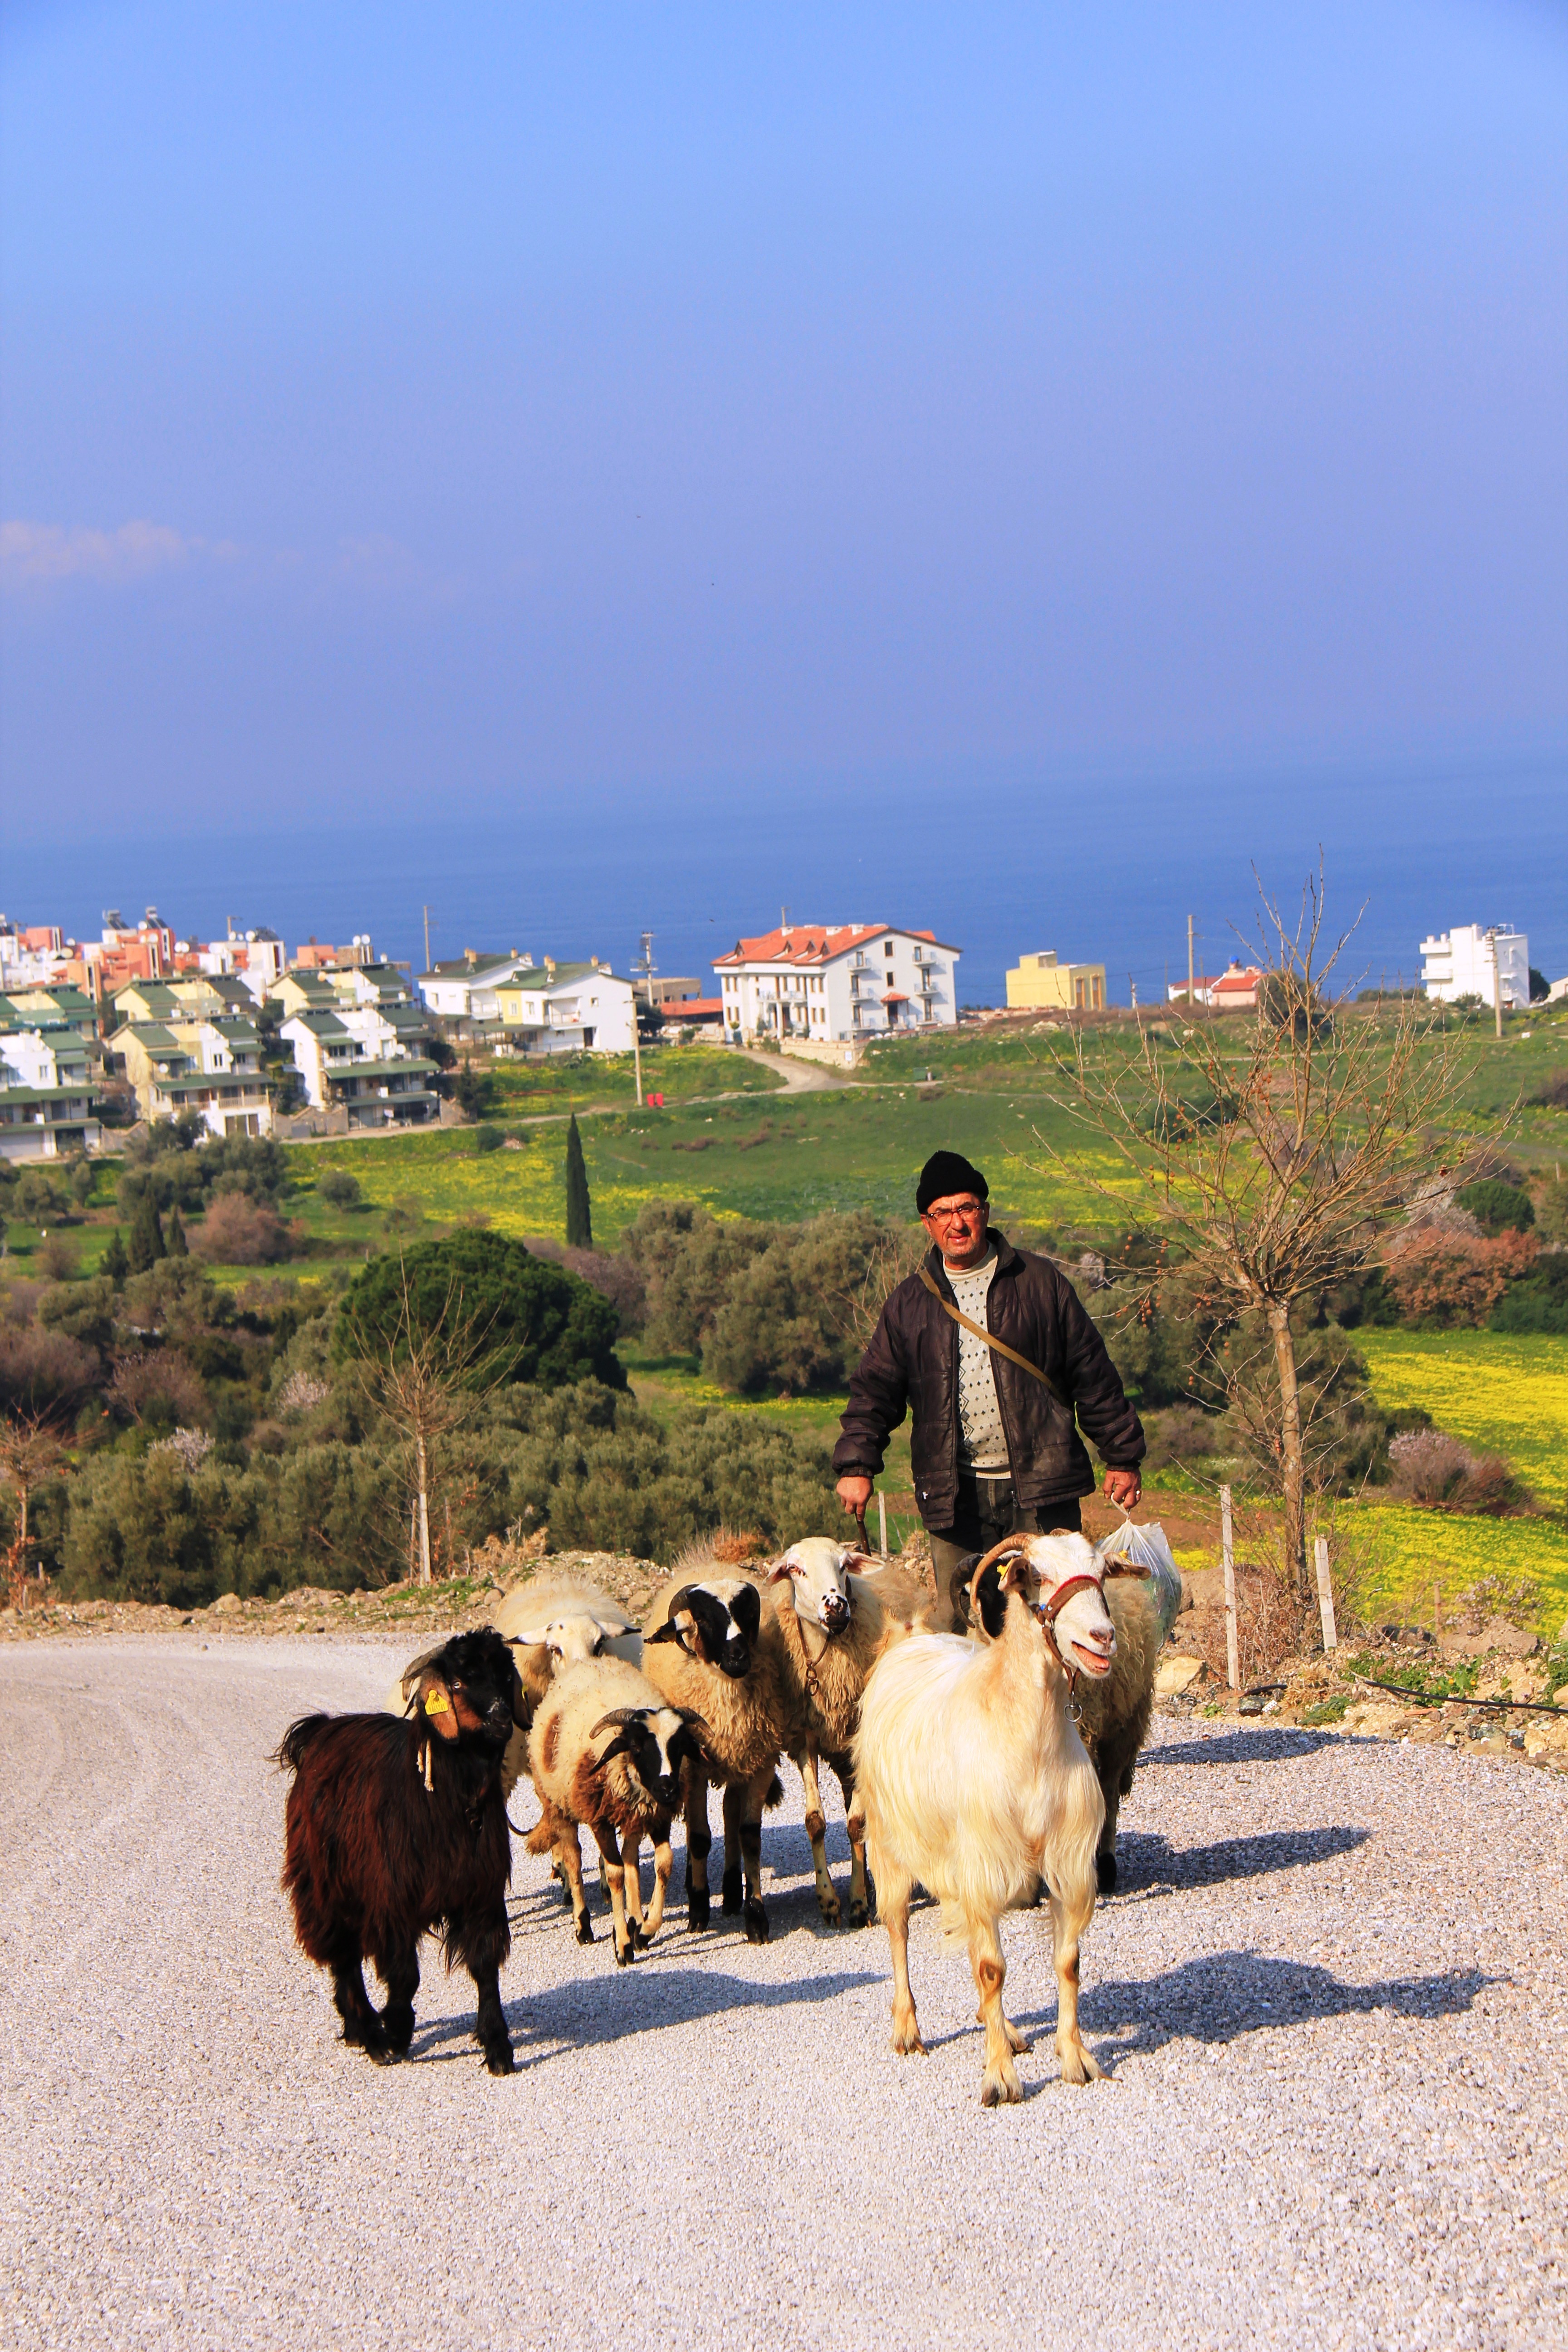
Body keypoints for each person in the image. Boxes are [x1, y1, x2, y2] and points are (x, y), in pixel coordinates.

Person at [833, 1149, 1145, 1629]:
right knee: (961, 1624)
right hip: (956, 1494)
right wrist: (857, 1464)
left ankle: (1067, 1709)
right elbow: (875, 1391)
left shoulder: (1040, 1284)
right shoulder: (910, 1304)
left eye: (967, 1208)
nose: (956, 1223)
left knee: (1054, 1618)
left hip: (1043, 1488)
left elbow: (1092, 1372)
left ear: (985, 1212)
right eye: (943, 1213)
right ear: (926, 1223)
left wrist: (1121, 1456)